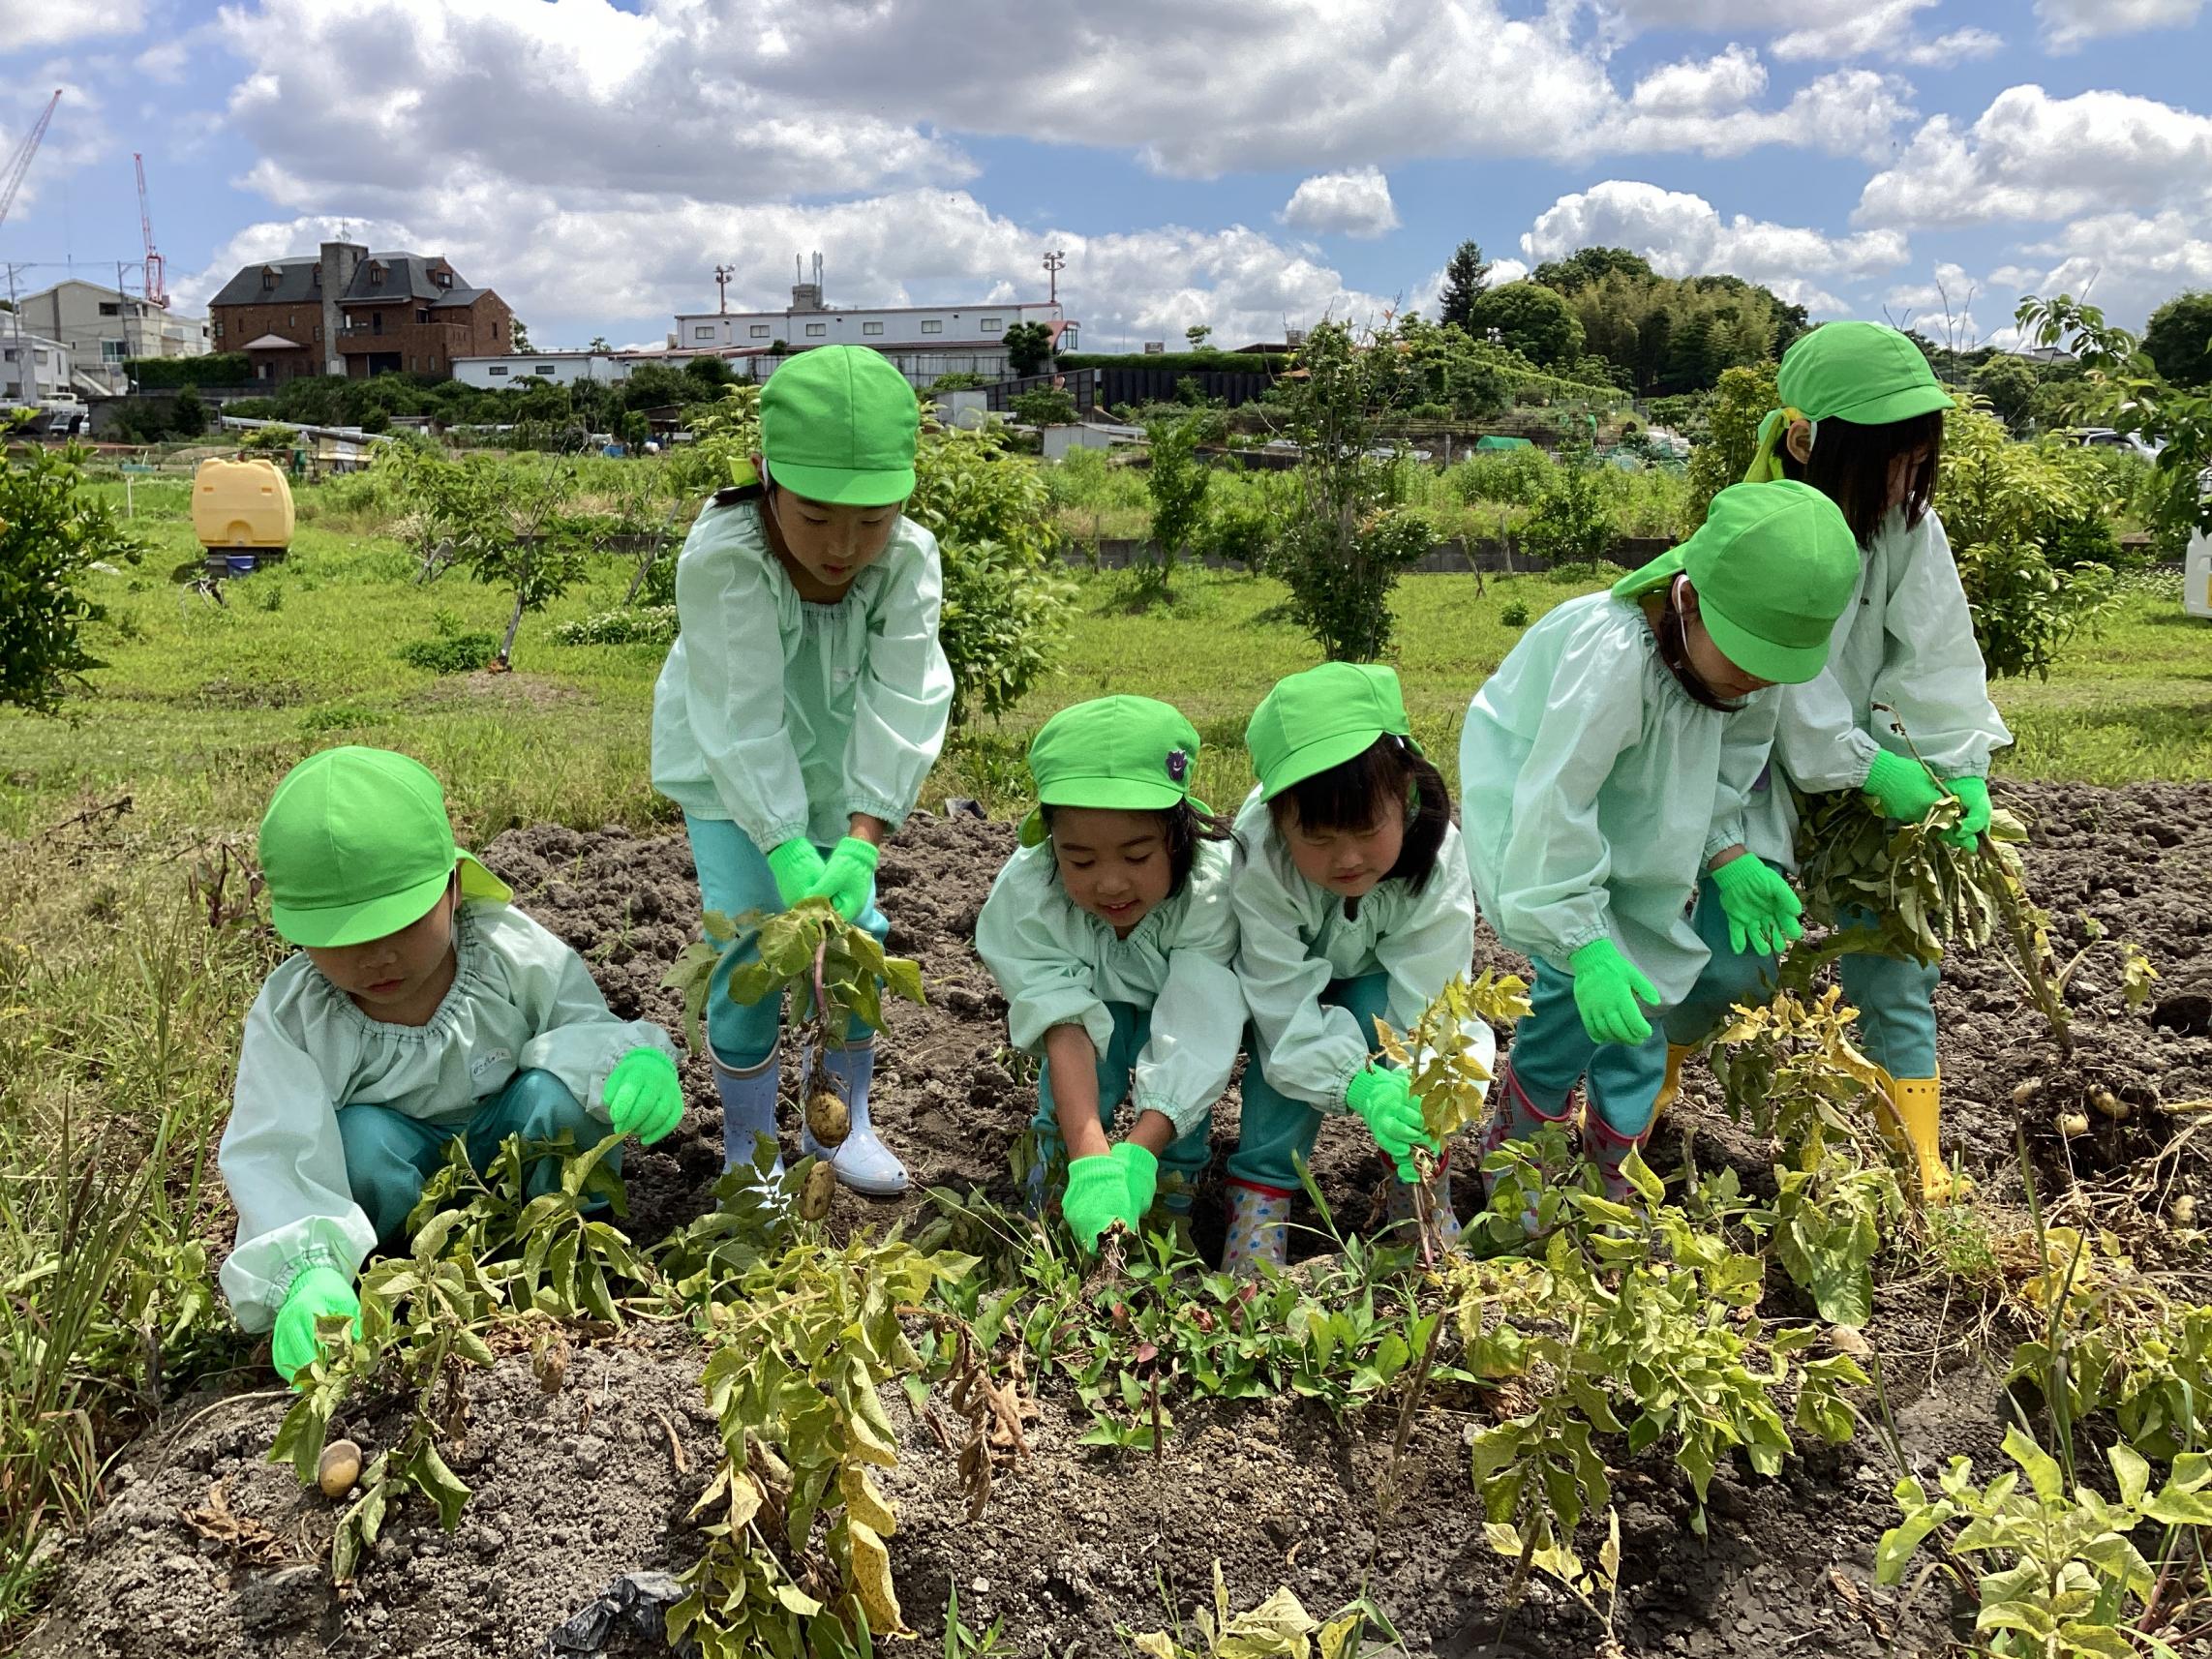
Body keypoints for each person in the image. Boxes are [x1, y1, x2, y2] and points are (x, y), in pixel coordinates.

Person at [1666, 321, 2008, 1199]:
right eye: (1883, 460)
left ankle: (1916, 1153)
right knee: (1729, 960)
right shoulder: (1758, 529)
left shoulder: (1904, 522)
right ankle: (1656, 1074)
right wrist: (1865, 768)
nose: (1900, 482)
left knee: (1896, 950)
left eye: (1913, 461)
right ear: (1806, 440)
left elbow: (1933, 647)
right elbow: (1784, 690)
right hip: (1756, 769)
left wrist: (1954, 764)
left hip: (1866, 763)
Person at [219, 747, 682, 1382]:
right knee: (359, 1140)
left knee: (556, 1100)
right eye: (339, 939)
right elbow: (276, 1145)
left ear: (454, 886)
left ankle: (566, 1242)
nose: (374, 957)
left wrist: (629, 1066)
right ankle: (395, 1277)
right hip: (397, 1181)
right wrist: (305, 1274)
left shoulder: (506, 952)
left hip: (509, 1141)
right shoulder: (297, 1015)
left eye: (399, 925)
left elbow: (577, 1028)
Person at [1460, 481, 1860, 1201]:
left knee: (1641, 1009)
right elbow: (1557, 802)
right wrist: (1580, 940)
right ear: (1687, 599)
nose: (1752, 682)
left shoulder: (1744, 672)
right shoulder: (1609, 657)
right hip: (1544, 835)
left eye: (1770, 668)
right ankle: (1519, 1160)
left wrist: (1729, 853)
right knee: (1567, 1011)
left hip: (1645, 839)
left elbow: (1724, 768)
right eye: (1743, 660)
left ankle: (1612, 1170)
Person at [651, 347, 953, 1195]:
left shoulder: (908, 558)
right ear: (764, 474)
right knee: (749, 941)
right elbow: (739, 717)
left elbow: (905, 695)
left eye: (873, 519)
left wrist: (860, 844)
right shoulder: (726, 554)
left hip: (844, 767)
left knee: (856, 942)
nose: (844, 545)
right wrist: (785, 848)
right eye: (817, 517)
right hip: (727, 767)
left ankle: (843, 1122)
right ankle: (750, 1147)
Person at [1225, 663, 1487, 1272]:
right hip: (1274, 985)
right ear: (1279, 818)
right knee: (1275, 1068)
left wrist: (1426, 1095)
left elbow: (1436, 1000)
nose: (1346, 859)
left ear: (1408, 794)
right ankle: (1261, 1199)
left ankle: (1419, 1189)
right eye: (1316, 839)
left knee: (1400, 1033)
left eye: (1369, 830)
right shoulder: (1257, 852)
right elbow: (1279, 1002)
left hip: (1380, 976)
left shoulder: (1437, 852)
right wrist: (1355, 1084)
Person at [974, 697, 1241, 1250]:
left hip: (1179, 1006)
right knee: (1075, 1094)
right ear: (1051, 845)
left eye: (1137, 857)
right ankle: (1055, 1186)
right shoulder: (1032, 896)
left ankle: (1173, 1195)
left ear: (1178, 833)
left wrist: (1141, 1150)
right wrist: (1091, 1160)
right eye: (1082, 861)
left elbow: (1196, 1024)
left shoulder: (1210, 894)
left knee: (1180, 1125)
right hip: (1090, 1013)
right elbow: (1064, 1023)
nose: (1112, 885)